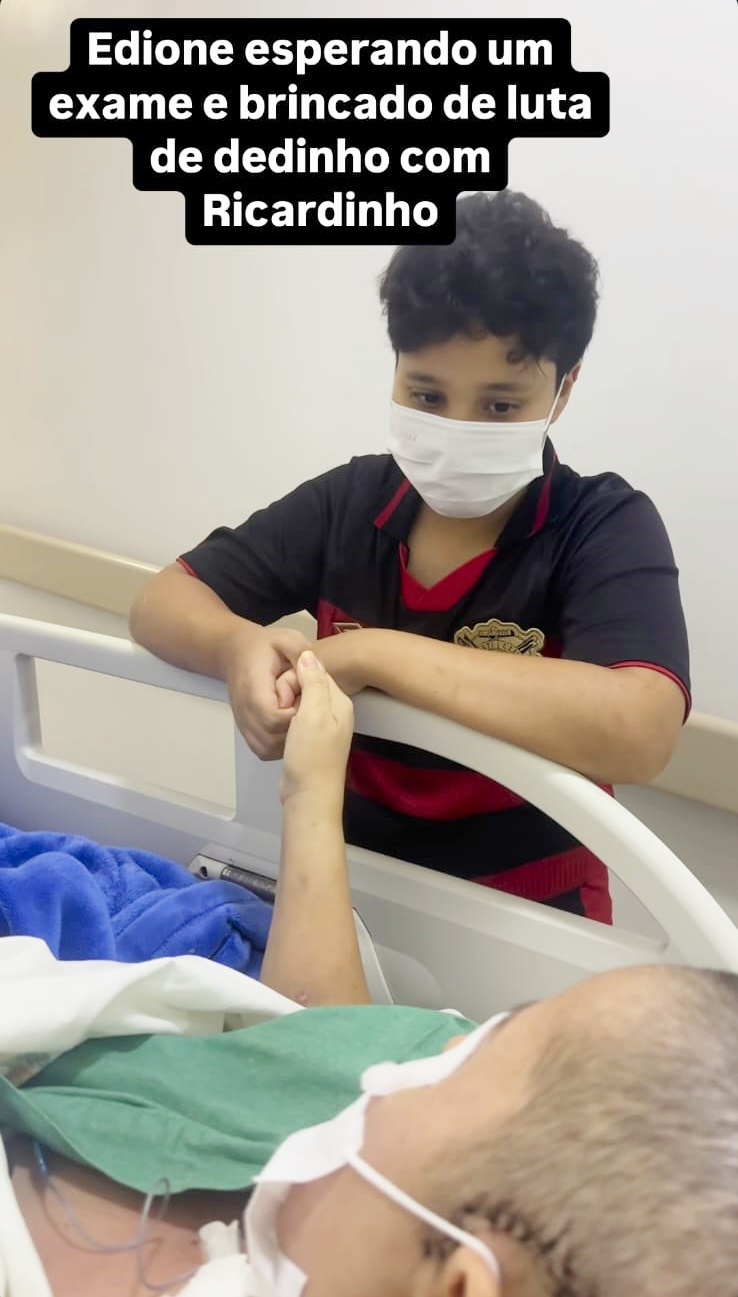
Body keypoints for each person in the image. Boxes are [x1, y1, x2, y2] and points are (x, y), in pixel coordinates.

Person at [4, 653, 737, 1297]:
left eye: (470, 1059)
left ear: (463, 1283)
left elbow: (640, 721)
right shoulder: (384, 1161)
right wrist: (311, 787)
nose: (447, 1042)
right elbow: (320, 1037)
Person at [130, 190, 691, 925]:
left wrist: (376, 655)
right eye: (426, 394)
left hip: (533, 917)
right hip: (349, 888)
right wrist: (236, 648)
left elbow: (641, 729)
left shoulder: (600, 524)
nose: (457, 427)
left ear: (563, 390)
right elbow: (161, 601)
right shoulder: (349, 502)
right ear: (395, 368)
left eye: (499, 406)